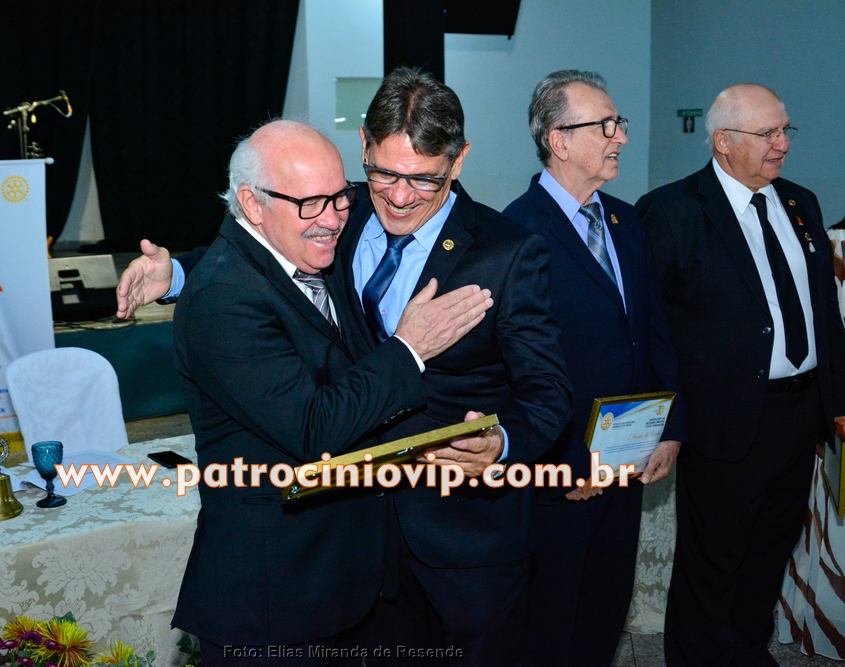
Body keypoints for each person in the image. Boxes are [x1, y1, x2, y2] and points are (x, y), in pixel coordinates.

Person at [167, 119, 493, 665]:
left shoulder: (298, 251)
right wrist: (410, 348)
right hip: (274, 599)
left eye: (341, 197)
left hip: (343, 582)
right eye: (311, 204)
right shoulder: (222, 299)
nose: (333, 219)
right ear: (251, 204)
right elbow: (314, 428)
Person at [323, 66, 571, 666]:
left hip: (468, 540)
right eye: (383, 173)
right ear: (362, 145)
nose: (399, 196)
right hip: (356, 529)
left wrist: (502, 442)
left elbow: (549, 390)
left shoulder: (507, 251)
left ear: (458, 161)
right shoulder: (338, 215)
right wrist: (172, 273)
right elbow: (266, 254)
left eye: (423, 179)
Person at [635, 83, 845, 667]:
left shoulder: (801, 202)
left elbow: (824, 314)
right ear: (723, 142)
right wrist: (666, 421)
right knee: (712, 562)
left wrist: (837, 401)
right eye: (767, 133)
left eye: (785, 130)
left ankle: (749, 653)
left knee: (769, 552)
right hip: (722, 420)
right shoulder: (671, 211)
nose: (782, 144)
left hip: (799, 414)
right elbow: (650, 330)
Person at [501, 70, 687, 667]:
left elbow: (653, 330)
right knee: (551, 620)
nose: (620, 137)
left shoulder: (627, 221)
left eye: (619, 123)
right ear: (558, 140)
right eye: (605, 126)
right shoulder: (515, 231)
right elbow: (515, 370)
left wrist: (671, 427)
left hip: (627, 459)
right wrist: (565, 460)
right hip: (560, 472)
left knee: (605, 610)